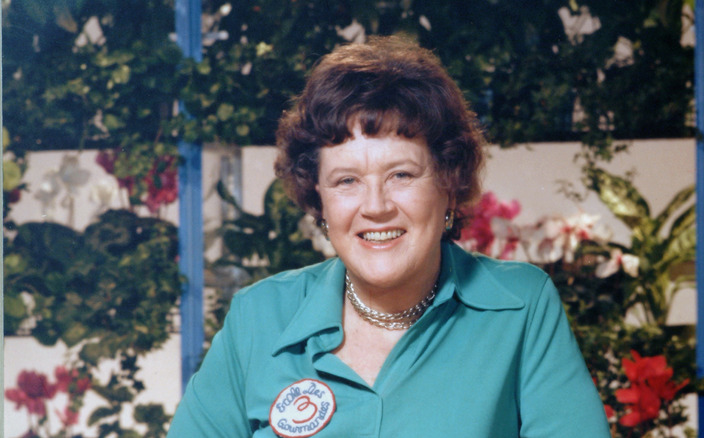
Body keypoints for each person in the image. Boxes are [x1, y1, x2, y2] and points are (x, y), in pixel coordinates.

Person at [168, 36, 610, 437]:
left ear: (449, 182)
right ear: (318, 198)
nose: (375, 205)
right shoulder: (258, 318)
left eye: (401, 174)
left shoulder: (520, 307)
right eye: (346, 181)